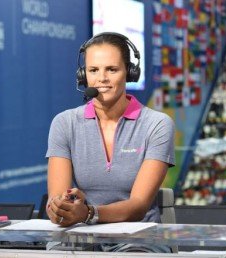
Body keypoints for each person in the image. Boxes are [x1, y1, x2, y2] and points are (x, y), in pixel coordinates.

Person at [45, 32, 175, 252]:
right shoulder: (64, 123)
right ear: (82, 75)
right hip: (79, 236)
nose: (101, 79)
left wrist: (89, 213)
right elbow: (55, 199)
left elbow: (138, 206)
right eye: (93, 70)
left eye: (111, 70)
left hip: (137, 239)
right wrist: (59, 207)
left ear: (130, 73)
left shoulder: (157, 124)